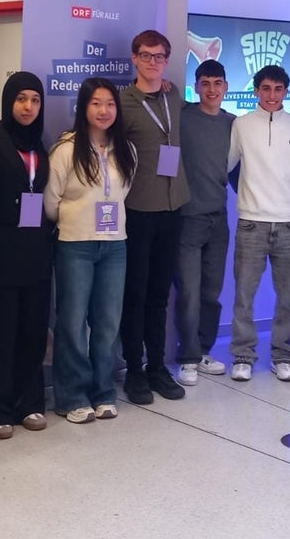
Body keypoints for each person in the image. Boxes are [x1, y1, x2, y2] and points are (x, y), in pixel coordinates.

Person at [45, 77, 137, 422]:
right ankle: (71, 396)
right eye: (96, 103)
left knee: (108, 323)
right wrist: (79, 220)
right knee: (72, 322)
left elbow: (123, 192)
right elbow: (51, 202)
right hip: (75, 245)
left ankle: (103, 391)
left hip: (115, 246)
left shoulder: (126, 150)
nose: (103, 110)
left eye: (110, 104)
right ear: (83, 107)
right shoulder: (65, 150)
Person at [0, 72, 54, 438]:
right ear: (8, 101)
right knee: (2, 331)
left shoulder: (40, 143)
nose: (28, 107)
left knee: (33, 329)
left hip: (36, 249)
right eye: (21, 99)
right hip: (1, 250)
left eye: (35, 100)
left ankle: (29, 402)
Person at [119, 30, 189, 404]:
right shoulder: (122, 102)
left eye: (159, 56)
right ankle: (134, 370)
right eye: (145, 55)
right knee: (136, 293)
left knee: (160, 294)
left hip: (173, 207)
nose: (152, 62)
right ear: (134, 58)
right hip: (138, 209)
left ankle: (157, 367)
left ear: (166, 60)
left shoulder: (173, 95)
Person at [227, 65, 290, 382]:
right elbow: (228, 165)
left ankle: (282, 355)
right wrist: (248, 194)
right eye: (266, 88)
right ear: (256, 90)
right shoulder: (241, 124)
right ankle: (243, 355)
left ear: (286, 92)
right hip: (252, 222)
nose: (272, 95)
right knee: (244, 295)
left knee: (287, 297)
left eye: (278, 89)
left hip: (289, 223)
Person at [174, 60, 235, 386]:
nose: (212, 89)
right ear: (196, 86)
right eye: (205, 83)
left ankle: (204, 350)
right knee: (188, 293)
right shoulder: (183, 116)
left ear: (226, 87)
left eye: (217, 83)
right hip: (187, 219)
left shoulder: (233, 124)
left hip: (219, 219)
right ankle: (188, 357)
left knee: (212, 292)